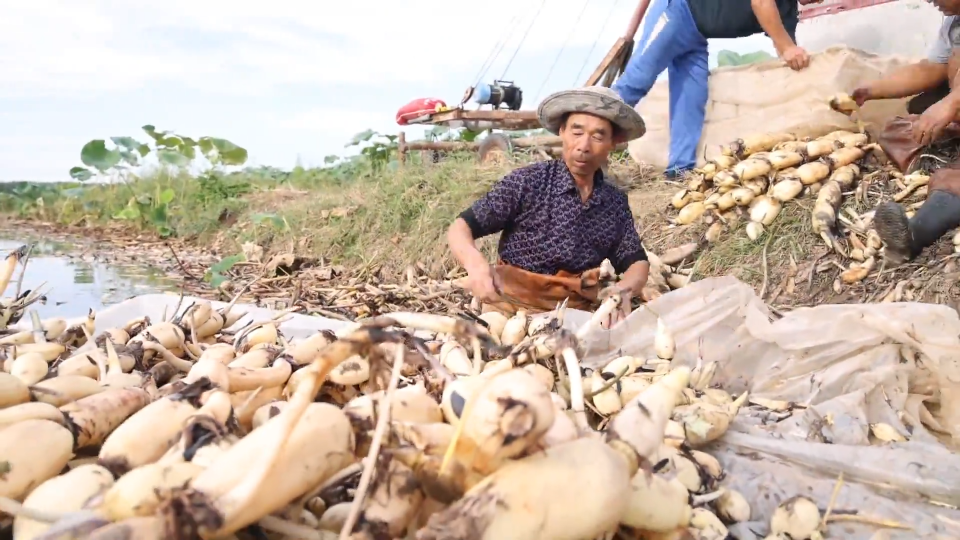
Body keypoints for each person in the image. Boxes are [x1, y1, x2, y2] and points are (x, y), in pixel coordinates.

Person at [447, 86, 651, 327]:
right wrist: (475, 264)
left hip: (573, 315)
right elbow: (461, 227)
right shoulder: (527, 183)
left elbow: (636, 261)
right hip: (508, 308)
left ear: (613, 143)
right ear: (562, 132)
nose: (584, 146)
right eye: (576, 132)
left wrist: (625, 289)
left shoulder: (614, 203)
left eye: (597, 136)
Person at [612, 0, 818, 179]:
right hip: (677, 11)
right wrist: (788, 48)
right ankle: (587, 138)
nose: (818, 2)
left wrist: (793, 55)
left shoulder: (788, 10)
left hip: (697, 34)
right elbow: (761, 3)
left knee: (691, 99)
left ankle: (679, 169)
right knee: (637, 80)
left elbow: (784, 47)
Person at [852, 0, 960, 263]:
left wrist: (952, 102)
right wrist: (873, 90)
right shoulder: (954, 24)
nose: (929, 1)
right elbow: (930, 69)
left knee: (951, 182)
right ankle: (933, 157)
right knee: (904, 125)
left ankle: (914, 235)